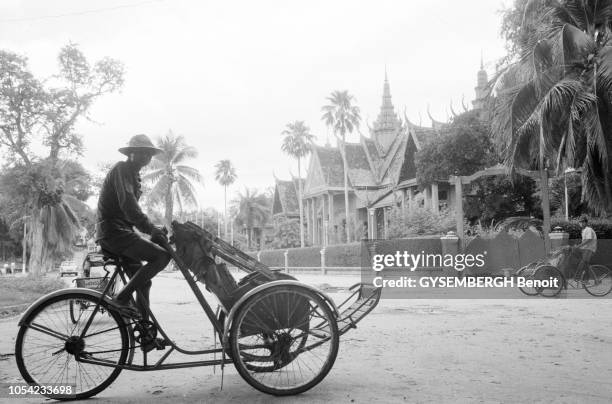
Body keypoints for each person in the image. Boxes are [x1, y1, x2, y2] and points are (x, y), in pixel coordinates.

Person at [95, 134, 171, 328]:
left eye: (149, 153)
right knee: (161, 257)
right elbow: (129, 205)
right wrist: (150, 228)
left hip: (121, 232)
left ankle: (145, 330)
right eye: (142, 152)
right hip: (113, 232)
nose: (146, 156)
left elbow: (131, 212)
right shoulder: (121, 170)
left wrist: (153, 229)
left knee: (143, 283)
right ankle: (121, 298)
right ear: (131, 154)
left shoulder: (133, 175)